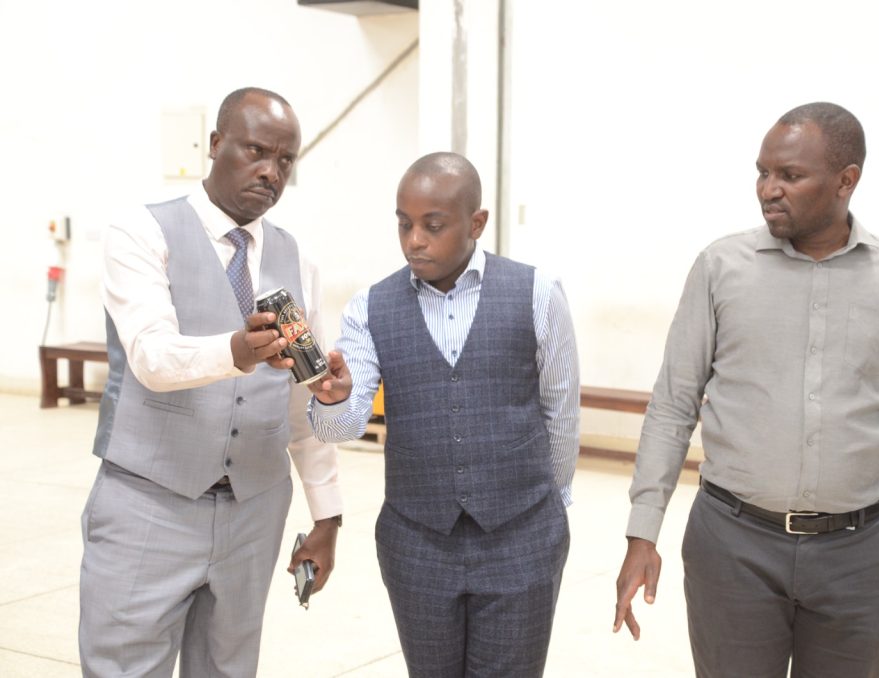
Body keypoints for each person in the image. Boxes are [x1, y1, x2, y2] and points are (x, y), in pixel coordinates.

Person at [612, 102, 879, 677]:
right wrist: (642, 533)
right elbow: (672, 406)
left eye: (790, 175)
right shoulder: (721, 266)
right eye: (763, 172)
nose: (769, 189)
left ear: (846, 180)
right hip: (733, 546)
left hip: (859, 558)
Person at [79, 87, 344, 678]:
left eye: (285, 160)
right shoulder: (140, 232)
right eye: (256, 151)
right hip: (149, 504)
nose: (271, 172)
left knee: (229, 669)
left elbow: (302, 404)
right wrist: (237, 351)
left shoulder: (298, 260)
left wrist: (327, 516)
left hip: (254, 512)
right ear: (216, 143)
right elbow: (151, 356)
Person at [309, 151, 580, 677]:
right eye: (404, 224)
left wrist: (547, 511)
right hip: (417, 545)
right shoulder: (370, 308)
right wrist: (333, 398)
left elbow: (560, 412)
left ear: (476, 223)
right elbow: (343, 428)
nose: (415, 240)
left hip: (522, 539)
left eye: (433, 226)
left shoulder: (537, 293)